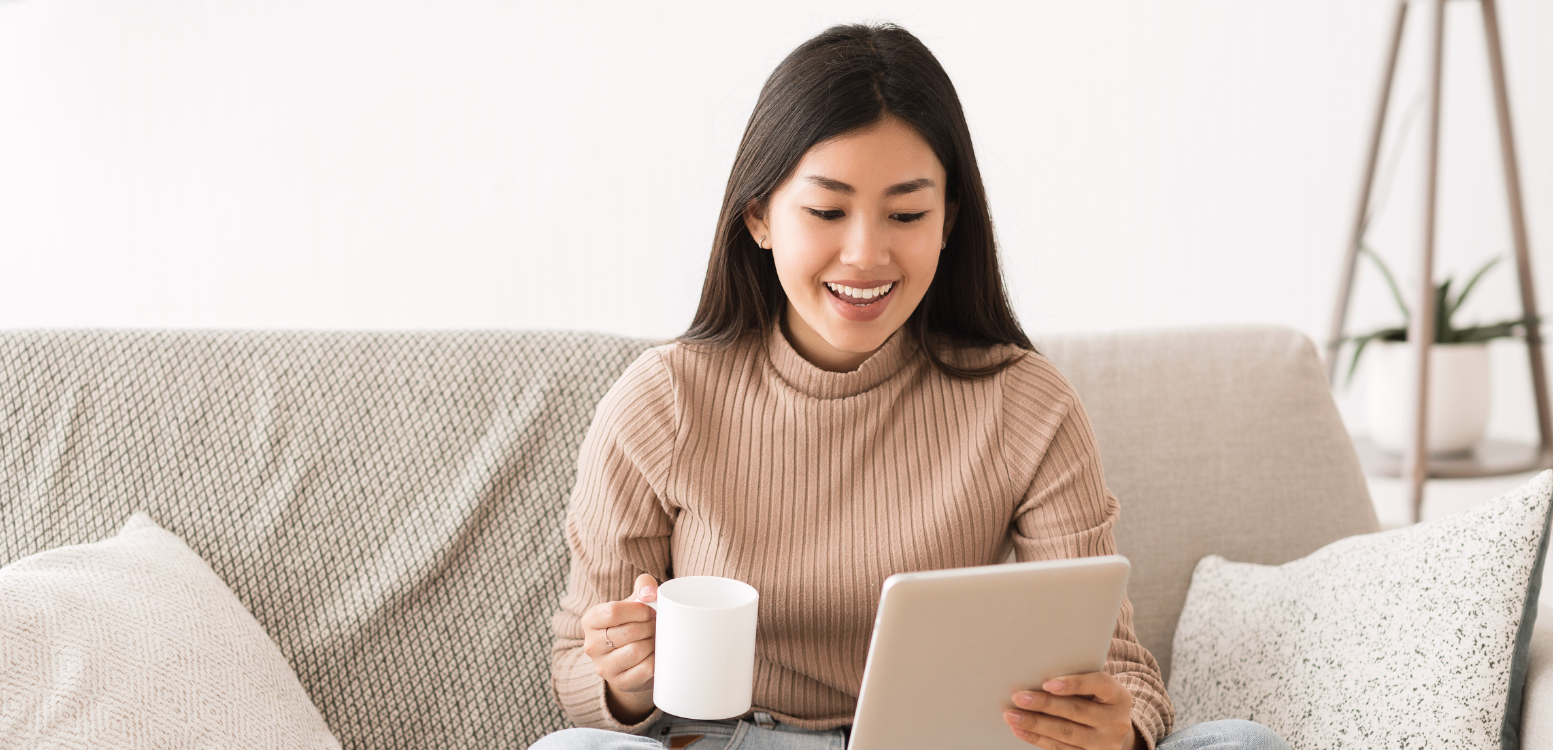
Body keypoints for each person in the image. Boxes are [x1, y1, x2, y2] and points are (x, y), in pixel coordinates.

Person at [530, 23, 1288, 750]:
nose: (866, 254)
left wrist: (1116, 730)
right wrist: (628, 679)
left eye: (907, 212)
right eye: (827, 210)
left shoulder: (1027, 404)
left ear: (949, 220)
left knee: (1244, 743)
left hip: (947, 744)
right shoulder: (660, 402)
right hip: (731, 739)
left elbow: (1119, 667)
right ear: (759, 216)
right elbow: (577, 670)